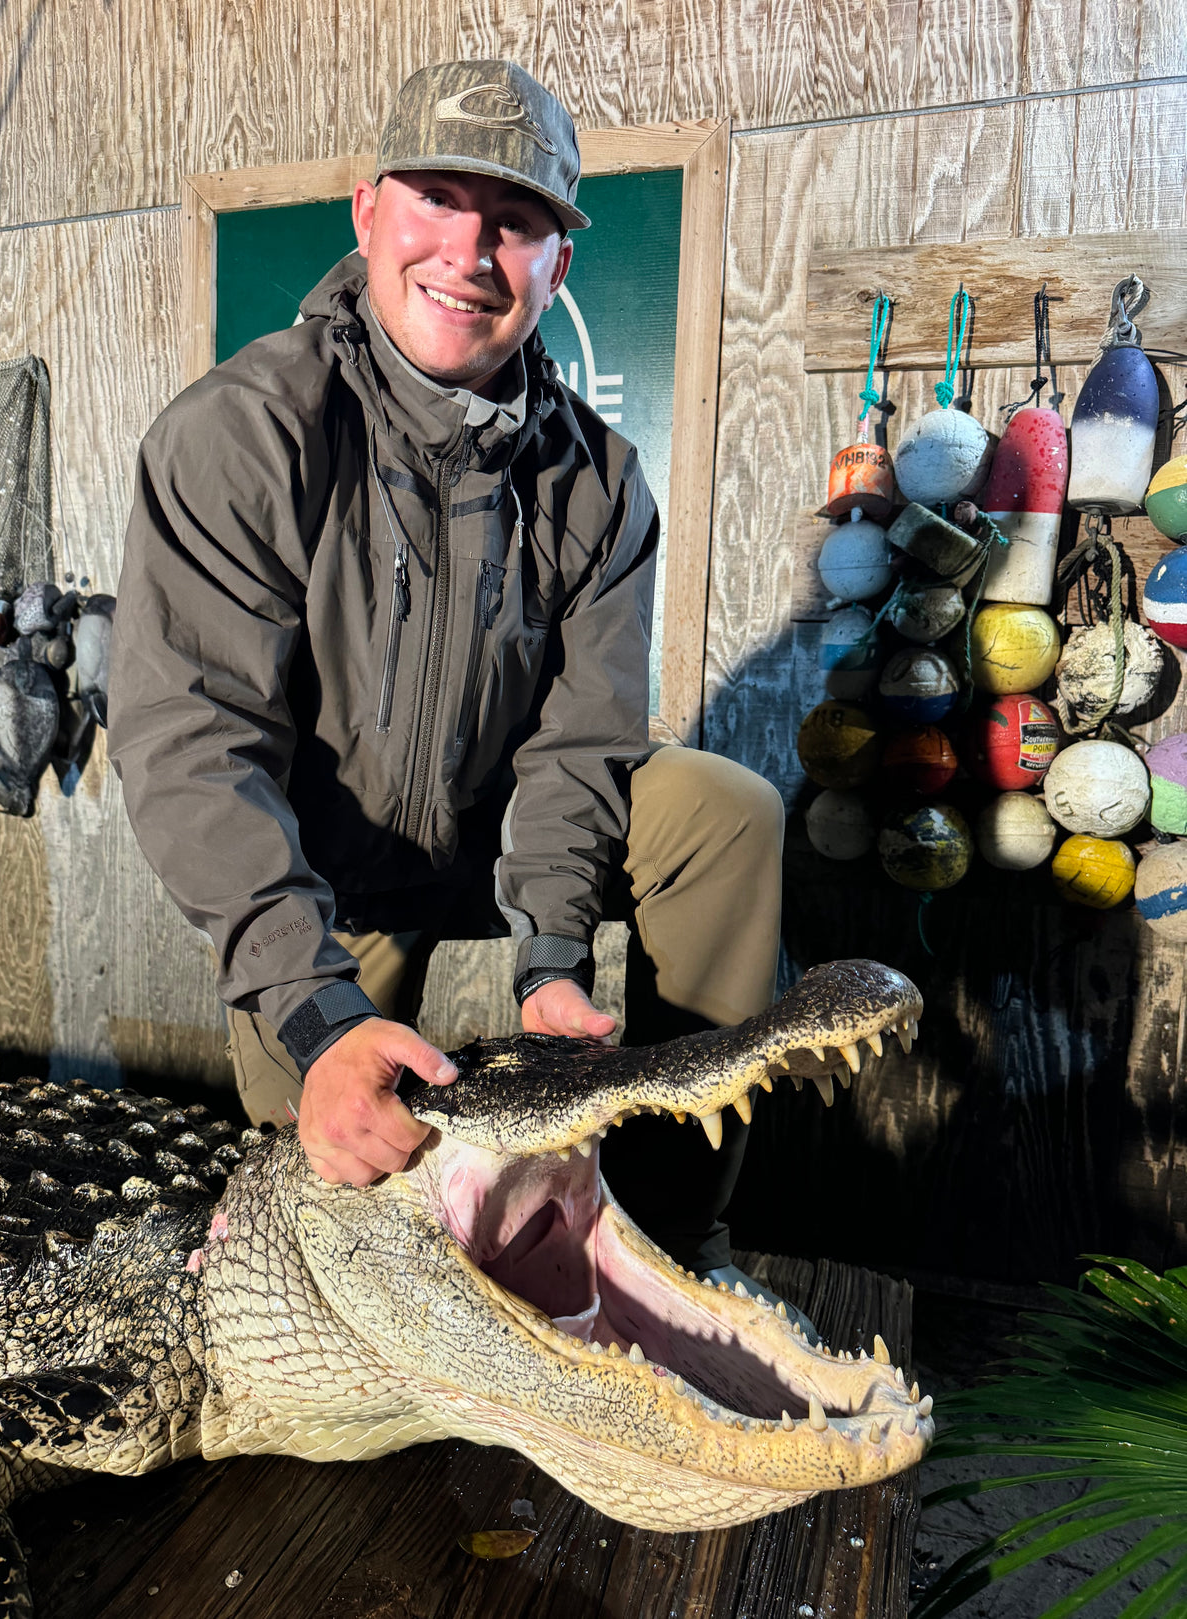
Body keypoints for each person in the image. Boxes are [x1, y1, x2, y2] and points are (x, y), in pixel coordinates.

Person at [108, 59, 787, 1299]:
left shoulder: (600, 479)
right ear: (368, 211)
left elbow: (582, 744)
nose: (468, 249)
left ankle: (678, 1235)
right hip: (324, 863)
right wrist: (311, 1013)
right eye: (435, 199)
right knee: (333, 1226)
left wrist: (552, 963)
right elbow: (189, 741)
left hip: (494, 830)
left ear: (556, 264)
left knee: (724, 812)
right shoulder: (243, 429)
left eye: (513, 220)